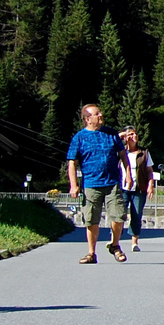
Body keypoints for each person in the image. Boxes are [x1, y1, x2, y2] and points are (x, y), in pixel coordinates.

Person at [66, 104, 131, 264]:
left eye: (100, 112)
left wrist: (128, 175)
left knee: (118, 216)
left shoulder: (111, 134)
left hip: (112, 183)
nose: (101, 115)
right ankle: (91, 253)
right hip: (91, 184)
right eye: (97, 114)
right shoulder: (79, 138)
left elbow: (123, 155)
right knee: (91, 220)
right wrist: (73, 185)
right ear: (88, 119)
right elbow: (72, 162)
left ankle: (115, 245)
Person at [122, 129, 154, 252]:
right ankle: (114, 239)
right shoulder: (121, 151)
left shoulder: (144, 153)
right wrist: (121, 137)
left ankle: (134, 242)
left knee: (136, 214)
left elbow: (149, 171)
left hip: (139, 188)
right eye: (130, 134)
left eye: (135, 133)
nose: (134, 136)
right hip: (122, 188)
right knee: (119, 213)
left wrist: (150, 185)